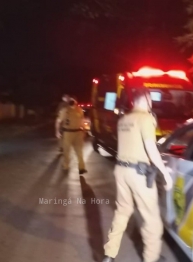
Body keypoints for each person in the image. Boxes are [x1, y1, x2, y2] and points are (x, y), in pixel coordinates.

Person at [102, 88, 173, 262]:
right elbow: (150, 147)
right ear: (147, 100)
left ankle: (110, 254)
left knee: (122, 212)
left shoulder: (123, 120)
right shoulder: (146, 118)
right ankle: (152, 258)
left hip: (121, 171)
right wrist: (165, 173)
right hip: (138, 174)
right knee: (151, 220)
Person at [55, 97, 87, 174]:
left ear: (76, 101)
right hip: (68, 133)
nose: (72, 101)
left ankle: (81, 168)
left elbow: (82, 120)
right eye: (71, 100)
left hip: (78, 133)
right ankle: (66, 165)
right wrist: (57, 132)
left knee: (79, 151)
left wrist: (84, 130)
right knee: (66, 151)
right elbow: (58, 121)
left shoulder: (79, 110)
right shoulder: (65, 110)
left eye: (74, 100)